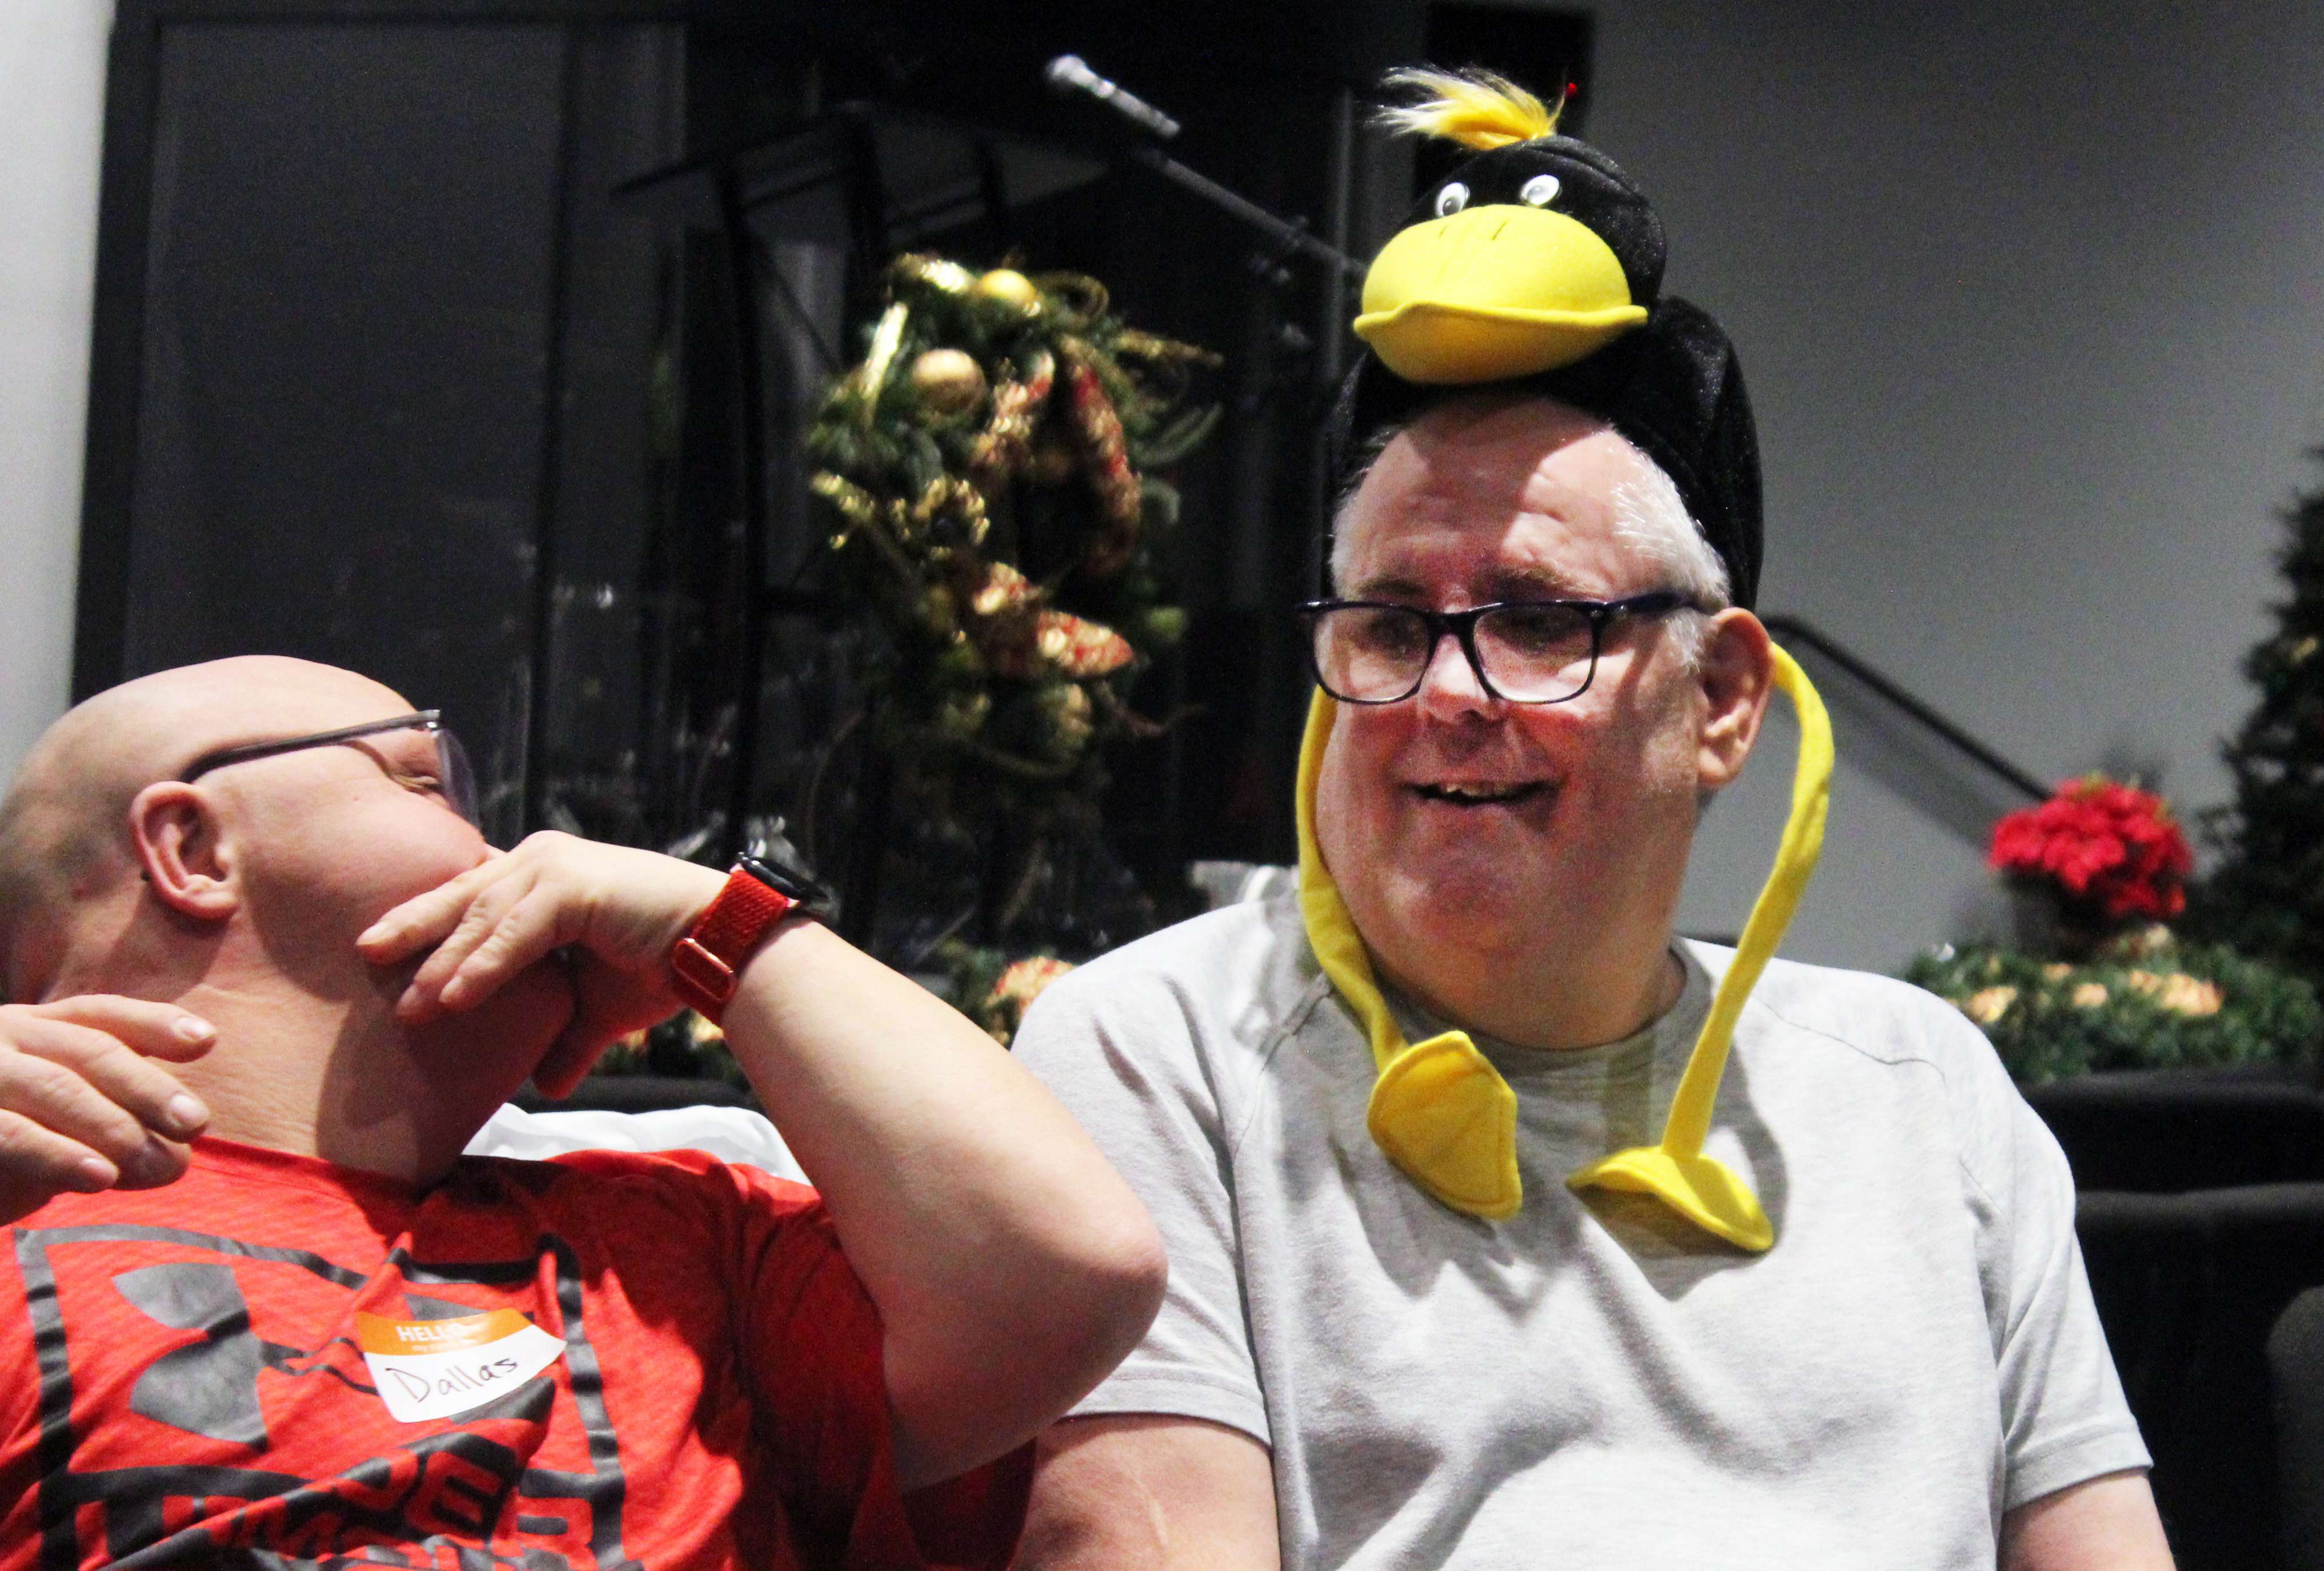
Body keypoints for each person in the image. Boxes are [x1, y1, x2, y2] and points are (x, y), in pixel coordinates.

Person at [1003, 77, 2172, 1569]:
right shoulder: (1159, 1057)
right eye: (1388, 624)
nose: (1447, 690)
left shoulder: (1922, 1090)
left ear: (1724, 697)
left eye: (1541, 619)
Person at [0, 654, 1165, 1569]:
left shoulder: (673, 1240)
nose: (512, 849)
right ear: (193, 846)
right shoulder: (16, 1222)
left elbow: (1068, 1276)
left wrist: (721, 928)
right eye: (422, 780)